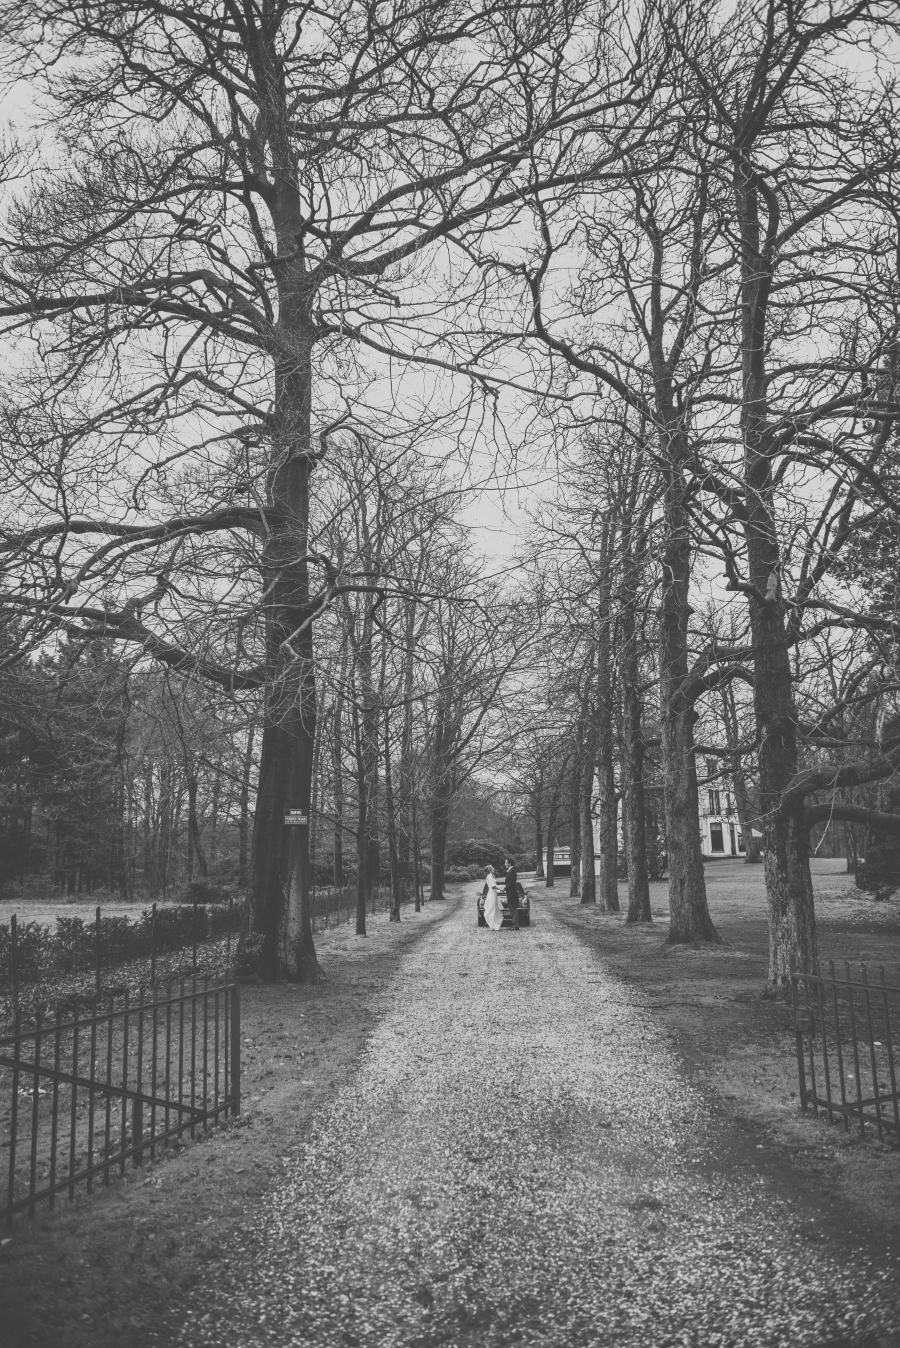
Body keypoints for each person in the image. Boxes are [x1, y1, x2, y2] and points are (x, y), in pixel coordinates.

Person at [482, 866, 503, 930]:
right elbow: (493, 886)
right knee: (492, 908)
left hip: (494, 893)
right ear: (490, 870)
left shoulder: (492, 875)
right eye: (492, 868)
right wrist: (500, 888)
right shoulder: (489, 876)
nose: (494, 868)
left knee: (495, 908)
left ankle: (495, 924)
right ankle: (492, 925)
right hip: (492, 893)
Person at [504, 857, 520, 930]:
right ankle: (514, 924)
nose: (505, 864)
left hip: (512, 892)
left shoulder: (512, 871)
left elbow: (511, 883)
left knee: (513, 909)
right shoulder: (510, 871)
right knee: (511, 909)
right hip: (510, 892)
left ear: (509, 863)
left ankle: (516, 925)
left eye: (506, 863)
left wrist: (504, 888)